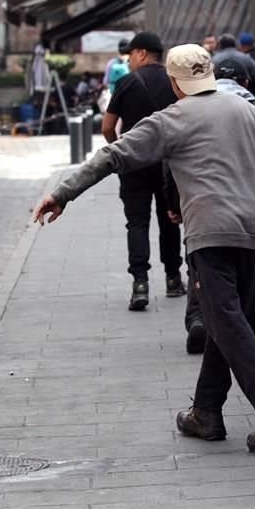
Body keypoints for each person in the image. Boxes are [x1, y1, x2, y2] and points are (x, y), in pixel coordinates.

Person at [32, 43, 255, 454]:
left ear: (175, 84)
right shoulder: (249, 112)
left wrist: (63, 193)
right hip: (250, 234)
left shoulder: (172, 119)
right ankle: (206, 412)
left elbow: (113, 155)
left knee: (229, 323)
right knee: (225, 322)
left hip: (208, 235)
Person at [177, 61, 255, 354]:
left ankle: (199, 319)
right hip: (251, 214)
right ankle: (213, 396)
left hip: (205, 216)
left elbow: (171, 163)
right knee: (240, 295)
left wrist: (172, 203)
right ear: (245, 82)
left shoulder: (187, 110)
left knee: (207, 283)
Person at [101, 31, 185, 310]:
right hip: (167, 165)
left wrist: (121, 151)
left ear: (140, 53)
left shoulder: (126, 82)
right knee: (170, 220)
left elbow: (107, 127)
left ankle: (140, 284)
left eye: (131, 55)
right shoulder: (174, 81)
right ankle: (173, 279)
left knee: (136, 223)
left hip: (134, 164)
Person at [211, 33, 255, 103]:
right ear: (235, 44)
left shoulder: (214, 60)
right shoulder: (245, 58)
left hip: (219, 101)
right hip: (245, 100)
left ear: (219, 45)